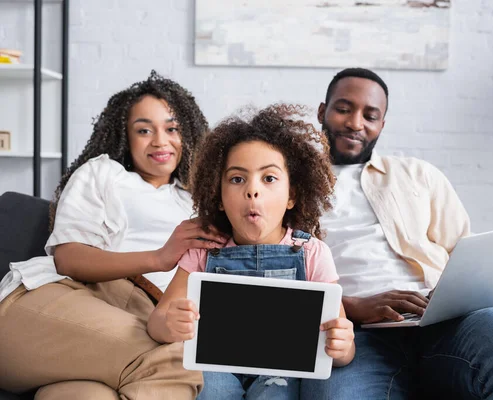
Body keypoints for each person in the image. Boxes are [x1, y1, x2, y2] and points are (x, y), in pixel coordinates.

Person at [300, 68, 493, 399]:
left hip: (440, 323)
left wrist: (449, 296)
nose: (356, 123)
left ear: (382, 125)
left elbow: (466, 253)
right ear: (322, 111)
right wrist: (351, 306)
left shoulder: (418, 174)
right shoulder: (285, 184)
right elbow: (279, 275)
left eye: (370, 116)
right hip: (353, 335)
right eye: (343, 109)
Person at [0, 71, 225, 400]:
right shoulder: (104, 173)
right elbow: (68, 257)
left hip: (140, 321)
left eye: (172, 128)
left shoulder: (199, 200)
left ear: (188, 134)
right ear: (125, 136)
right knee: (175, 363)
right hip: (62, 299)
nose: (160, 141)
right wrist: (158, 258)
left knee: (86, 396)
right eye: (144, 130)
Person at [147, 104, 356, 400]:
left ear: (292, 197)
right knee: (207, 392)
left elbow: (340, 342)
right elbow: (157, 321)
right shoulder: (203, 252)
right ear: (218, 197)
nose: (252, 191)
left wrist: (343, 347)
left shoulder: (311, 253)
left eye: (268, 178)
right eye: (237, 179)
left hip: (282, 373)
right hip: (214, 367)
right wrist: (170, 324)